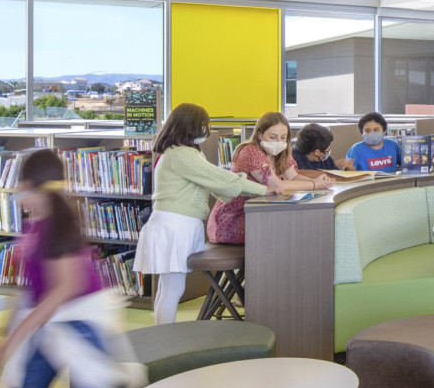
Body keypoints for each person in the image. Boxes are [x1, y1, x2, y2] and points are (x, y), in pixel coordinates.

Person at [0, 150, 138, 388]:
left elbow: (64, 289)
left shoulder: (58, 228)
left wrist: (15, 336)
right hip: (46, 324)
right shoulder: (35, 224)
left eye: (22, 184)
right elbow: (30, 292)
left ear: (33, 185)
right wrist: (7, 334)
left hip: (78, 321)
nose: (17, 191)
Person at [136, 103, 268, 324]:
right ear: (191, 126)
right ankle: (164, 339)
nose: (206, 131)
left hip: (175, 224)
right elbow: (221, 179)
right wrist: (266, 189)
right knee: (172, 290)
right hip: (175, 226)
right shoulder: (182, 154)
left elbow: (215, 183)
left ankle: (162, 336)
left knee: (168, 288)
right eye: (204, 125)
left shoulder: (177, 152)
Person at [206, 112, 335, 244]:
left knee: (294, 225)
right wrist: (314, 185)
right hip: (232, 218)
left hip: (259, 212)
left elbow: (294, 177)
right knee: (285, 229)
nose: (278, 142)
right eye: (273, 137)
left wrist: (319, 182)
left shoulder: (282, 152)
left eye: (283, 137)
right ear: (260, 134)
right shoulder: (250, 151)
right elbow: (276, 186)